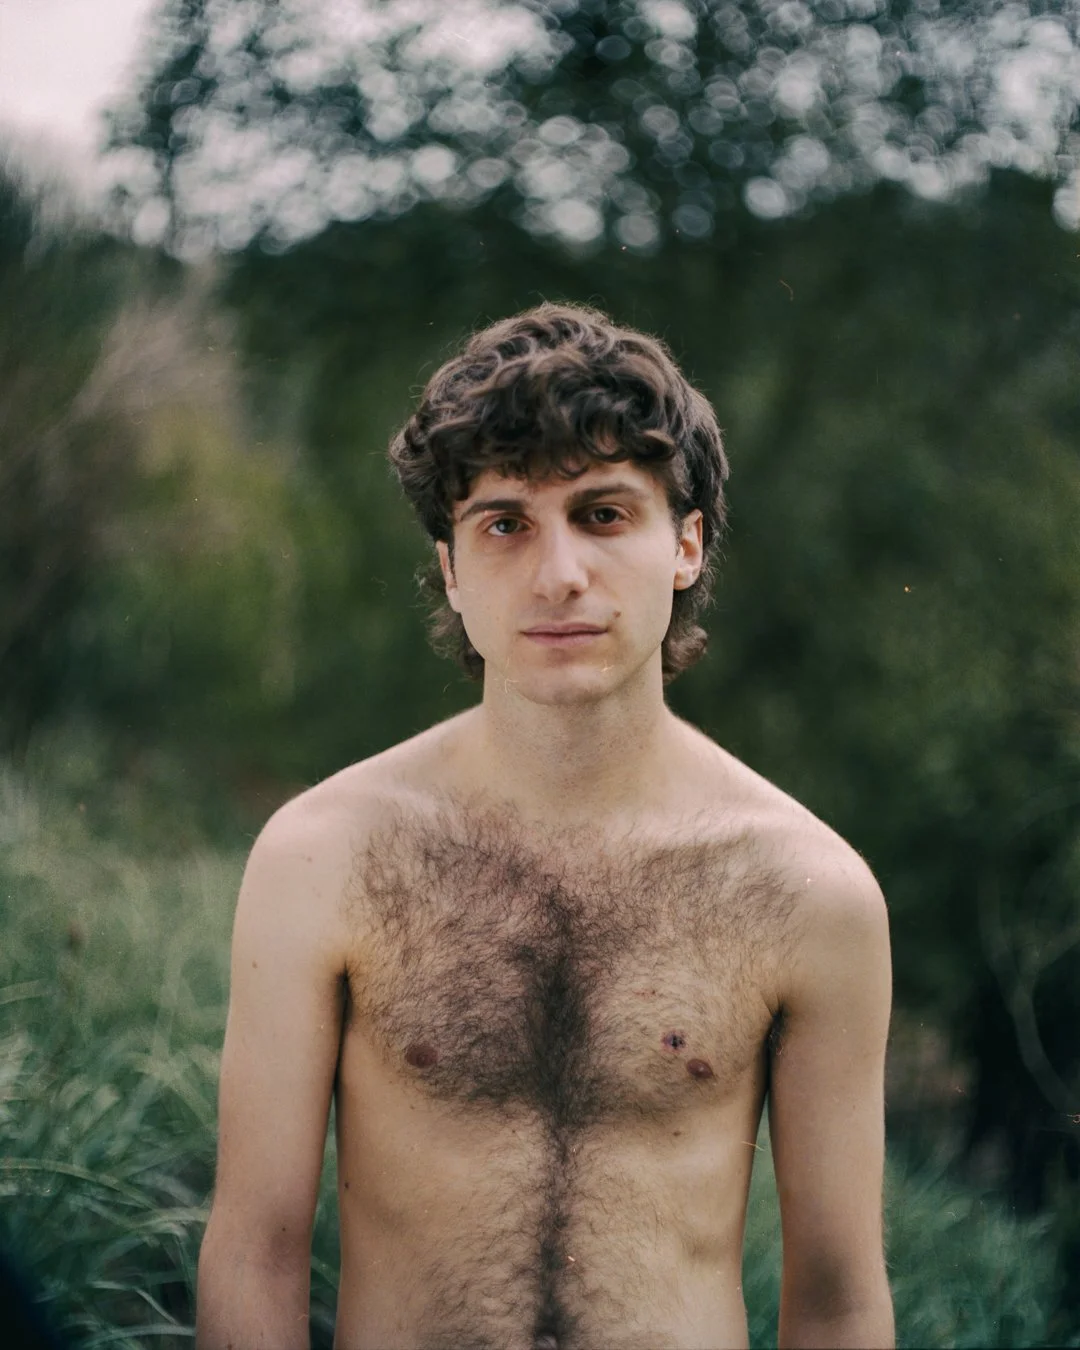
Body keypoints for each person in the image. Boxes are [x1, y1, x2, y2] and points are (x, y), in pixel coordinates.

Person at [195, 302, 894, 1350]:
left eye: (603, 515)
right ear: (450, 569)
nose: (559, 573)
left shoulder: (811, 892)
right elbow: (254, 1251)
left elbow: (838, 1301)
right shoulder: (324, 856)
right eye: (505, 524)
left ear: (686, 545)